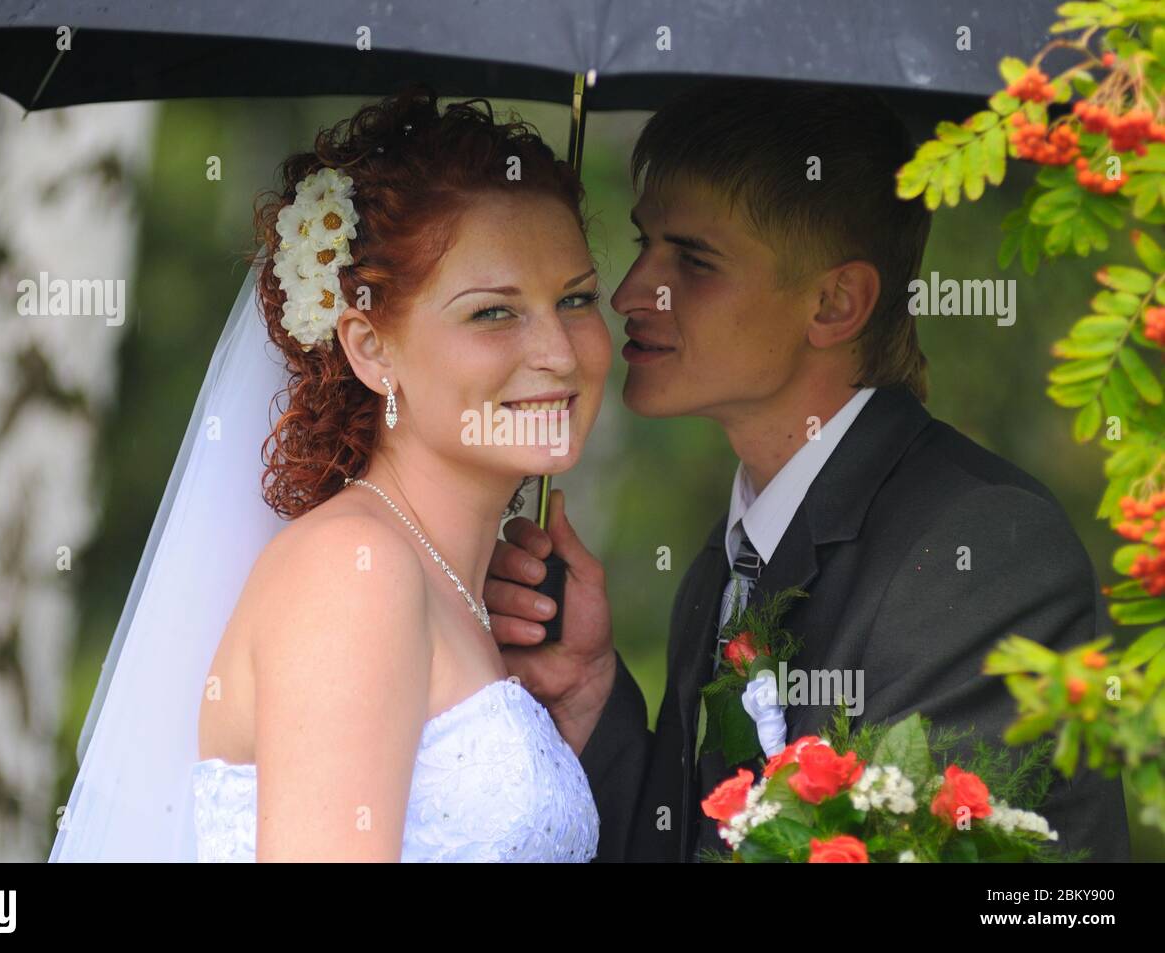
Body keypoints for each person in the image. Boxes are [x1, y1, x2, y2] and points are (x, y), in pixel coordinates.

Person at [485, 78, 1133, 862]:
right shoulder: (722, 571)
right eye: (644, 242)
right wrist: (589, 695)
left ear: (835, 304)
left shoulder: (980, 552)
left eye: (692, 259)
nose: (628, 293)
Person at [50, 85, 611, 862]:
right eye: (494, 311)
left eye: (576, 298)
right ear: (371, 347)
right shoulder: (358, 573)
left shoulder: (449, 589)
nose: (558, 351)